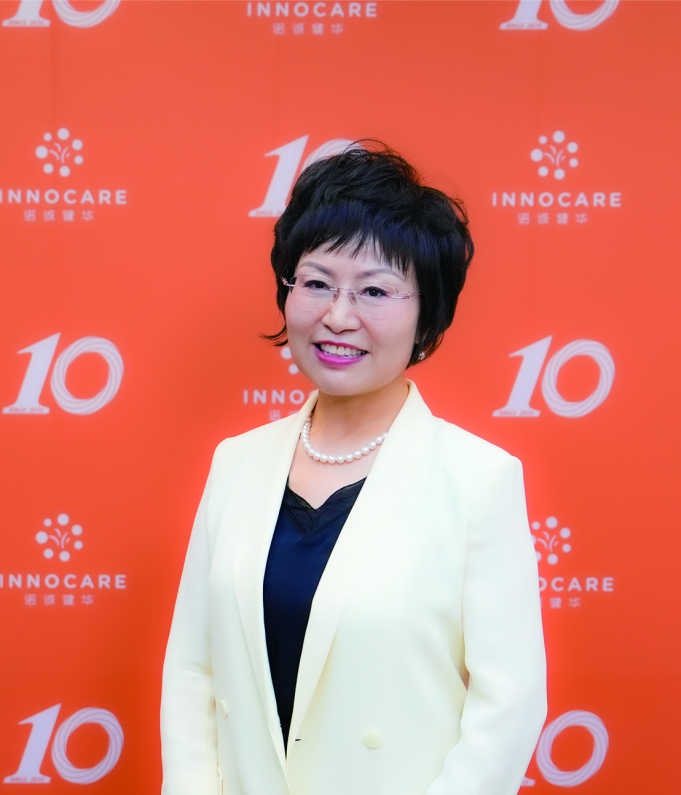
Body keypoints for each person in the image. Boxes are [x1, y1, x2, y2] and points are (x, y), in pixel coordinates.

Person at [161, 145, 547, 795]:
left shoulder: (477, 479)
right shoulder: (237, 462)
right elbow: (193, 671)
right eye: (316, 283)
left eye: (374, 290)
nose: (338, 316)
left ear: (427, 313)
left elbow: (508, 706)